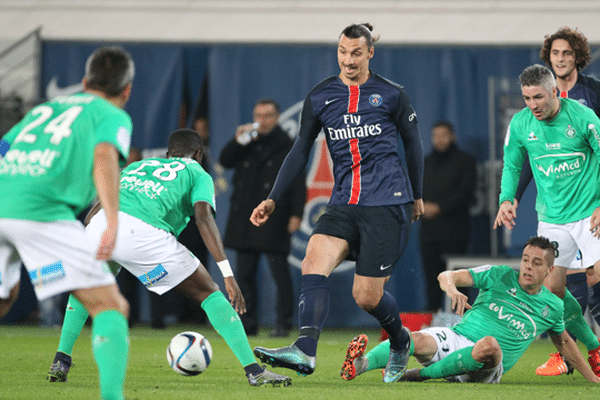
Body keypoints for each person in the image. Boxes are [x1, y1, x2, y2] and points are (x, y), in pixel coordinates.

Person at [46, 129, 292, 387]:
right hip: (141, 234)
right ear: (198, 154)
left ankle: (61, 358)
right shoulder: (197, 172)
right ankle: (254, 371)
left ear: (167, 154)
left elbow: (92, 213)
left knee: (89, 285)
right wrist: (228, 275)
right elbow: (203, 217)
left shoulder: (137, 166)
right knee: (209, 293)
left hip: (100, 226)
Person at [250, 23, 424, 382]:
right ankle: (305, 349)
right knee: (313, 259)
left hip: (387, 204)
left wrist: (417, 194)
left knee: (366, 296)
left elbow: (413, 145)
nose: (348, 60)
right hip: (344, 202)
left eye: (356, 53)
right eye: (342, 52)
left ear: (370, 52)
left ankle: (401, 341)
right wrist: (273, 199)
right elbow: (300, 150)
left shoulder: (392, 94)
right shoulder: (321, 96)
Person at [0, 46, 135, 400]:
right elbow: (104, 155)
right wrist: (112, 221)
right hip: (41, 213)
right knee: (110, 306)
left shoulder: (44, 109)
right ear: (127, 90)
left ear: (85, 81)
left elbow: (4, 147)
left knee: (4, 298)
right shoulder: (112, 114)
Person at [340, 236, 600, 384]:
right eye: (525, 260)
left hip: (488, 366)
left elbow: (564, 343)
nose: (528, 267)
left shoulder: (552, 306)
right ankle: (360, 365)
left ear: (550, 270)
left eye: (536, 263)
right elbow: (446, 275)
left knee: (489, 345)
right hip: (458, 338)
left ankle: (417, 375)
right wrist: (452, 289)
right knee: (413, 338)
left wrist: (592, 380)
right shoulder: (500, 275)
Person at [493, 64, 600, 378]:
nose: (532, 104)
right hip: (552, 218)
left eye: (538, 97)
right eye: (526, 98)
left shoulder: (582, 118)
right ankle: (589, 350)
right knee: (552, 293)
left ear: (555, 91)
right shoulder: (521, 123)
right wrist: (505, 200)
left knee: (596, 275)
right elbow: (512, 166)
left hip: (589, 213)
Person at [219, 99, 305, 337]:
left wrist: (297, 213)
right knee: (244, 275)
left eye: (267, 115)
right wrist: (238, 140)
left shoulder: (287, 144)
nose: (262, 120)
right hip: (245, 216)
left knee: (280, 274)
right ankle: (247, 323)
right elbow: (225, 160)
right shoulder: (248, 141)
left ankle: (283, 323)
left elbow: (298, 181)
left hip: (274, 216)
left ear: (277, 118)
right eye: (258, 115)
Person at [420, 120, 477, 311]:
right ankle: (434, 326)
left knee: (456, 281)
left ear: (453, 136)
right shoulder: (424, 163)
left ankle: (458, 322)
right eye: (435, 136)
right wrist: (420, 206)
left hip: (455, 232)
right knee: (432, 282)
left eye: (444, 135)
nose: (439, 140)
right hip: (429, 233)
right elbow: (415, 192)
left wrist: (439, 208)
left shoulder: (465, 161)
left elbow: (465, 193)